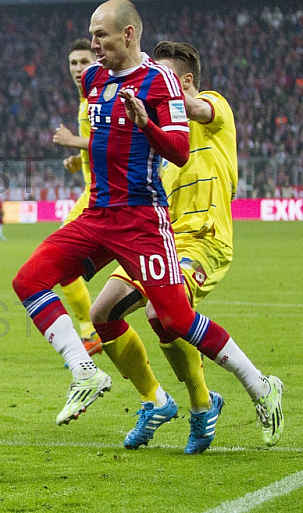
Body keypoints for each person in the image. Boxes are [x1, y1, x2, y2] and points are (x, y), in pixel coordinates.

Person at [11, 0, 283, 446]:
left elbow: (178, 142)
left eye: (100, 35)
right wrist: (84, 157)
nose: (93, 47)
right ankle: (88, 372)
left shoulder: (166, 87)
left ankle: (255, 386)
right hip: (100, 215)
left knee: (172, 319)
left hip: (153, 223)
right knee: (33, 282)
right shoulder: (96, 79)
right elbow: (107, 140)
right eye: (91, 36)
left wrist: (148, 122)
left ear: (128, 34)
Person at [88, 41, 246, 453]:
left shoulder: (215, 109)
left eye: (166, 81)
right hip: (160, 239)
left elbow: (195, 109)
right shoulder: (159, 138)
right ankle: (155, 400)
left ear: (186, 82)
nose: (155, 87)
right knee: (101, 311)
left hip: (205, 239)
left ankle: (202, 404)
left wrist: (155, 97)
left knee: (164, 314)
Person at [52, 38, 102, 356]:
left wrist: (73, 141)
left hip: (102, 196)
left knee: (60, 258)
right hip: (94, 191)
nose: (77, 69)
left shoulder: (98, 97)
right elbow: (97, 146)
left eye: (84, 62)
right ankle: (92, 330)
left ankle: (90, 331)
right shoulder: (86, 100)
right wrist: (78, 158)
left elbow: (112, 141)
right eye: (73, 63)